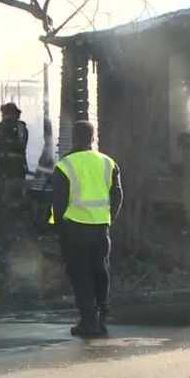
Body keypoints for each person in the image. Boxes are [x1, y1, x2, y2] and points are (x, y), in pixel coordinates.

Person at [51, 121, 123, 338]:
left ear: (74, 137)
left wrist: (57, 229)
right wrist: (109, 219)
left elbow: (58, 203)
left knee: (80, 275)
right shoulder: (109, 163)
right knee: (100, 272)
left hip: (74, 229)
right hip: (101, 229)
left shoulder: (65, 165)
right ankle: (101, 317)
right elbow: (118, 195)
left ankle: (88, 321)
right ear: (93, 138)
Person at [0, 103, 29, 220]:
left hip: (5, 170)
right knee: (13, 199)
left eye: (4, 113)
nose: (3, 116)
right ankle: (12, 225)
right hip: (16, 170)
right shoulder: (21, 128)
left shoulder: (1, 127)